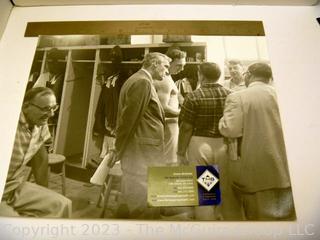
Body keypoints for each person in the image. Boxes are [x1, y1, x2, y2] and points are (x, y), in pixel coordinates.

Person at [219, 62, 295, 220]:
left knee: (258, 219)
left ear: (248, 75)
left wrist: (222, 121)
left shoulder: (238, 96)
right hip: (287, 168)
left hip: (256, 169)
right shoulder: (285, 94)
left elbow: (230, 130)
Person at [108, 52, 171, 219]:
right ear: (154, 64)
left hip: (142, 150)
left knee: (138, 198)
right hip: (142, 152)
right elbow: (128, 120)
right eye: (165, 67)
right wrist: (118, 148)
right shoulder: (142, 82)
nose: (167, 72)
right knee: (142, 202)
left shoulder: (138, 79)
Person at [0, 87, 72, 218]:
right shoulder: (7, 122)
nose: (51, 114)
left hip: (14, 187)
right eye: (45, 109)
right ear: (26, 106)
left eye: (53, 108)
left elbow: (40, 158)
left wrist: (44, 191)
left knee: (62, 204)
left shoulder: (40, 123)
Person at [177, 62, 230, 220]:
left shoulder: (193, 96)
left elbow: (186, 127)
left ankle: (205, 223)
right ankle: (222, 221)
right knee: (223, 186)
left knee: (205, 188)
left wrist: (180, 152)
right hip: (224, 143)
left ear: (201, 75)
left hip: (200, 144)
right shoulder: (230, 94)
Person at [153, 48, 186, 165]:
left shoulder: (169, 78)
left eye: (183, 66)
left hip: (171, 124)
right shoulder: (164, 81)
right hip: (167, 125)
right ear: (168, 63)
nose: (182, 69)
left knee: (169, 161)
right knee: (168, 162)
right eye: (178, 66)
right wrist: (184, 113)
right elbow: (162, 108)